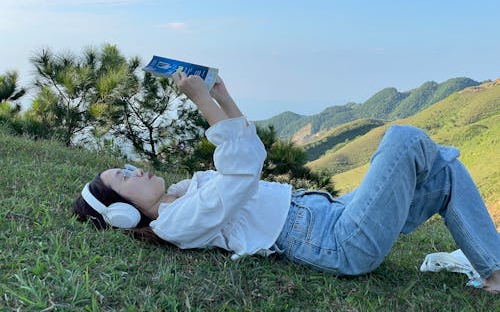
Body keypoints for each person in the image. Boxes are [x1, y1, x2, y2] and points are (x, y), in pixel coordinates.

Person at [72, 72, 500, 294]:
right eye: (124, 178)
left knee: (444, 170)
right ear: (124, 213)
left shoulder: (184, 192)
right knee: (403, 138)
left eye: (126, 167)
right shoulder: (176, 223)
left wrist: (222, 97)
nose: (136, 169)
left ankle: (494, 272)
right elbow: (242, 173)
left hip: (334, 212)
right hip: (341, 244)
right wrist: (202, 102)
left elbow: (247, 154)